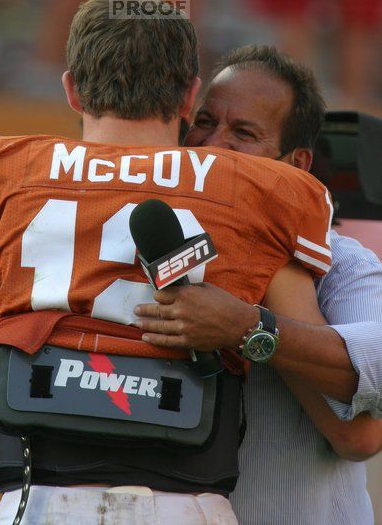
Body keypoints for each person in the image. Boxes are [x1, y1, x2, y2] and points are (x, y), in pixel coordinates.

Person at [0, 0, 335, 525]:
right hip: (189, 506)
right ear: (190, 96)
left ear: (70, 89)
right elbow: (326, 377)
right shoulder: (259, 190)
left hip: (40, 501)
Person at [135, 44, 382, 524]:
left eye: (243, 133)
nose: (213, 145)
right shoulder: (150, 236)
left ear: (297, 163)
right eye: (204, 122)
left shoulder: (345, 261)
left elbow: (362, 434)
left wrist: (248, 329)